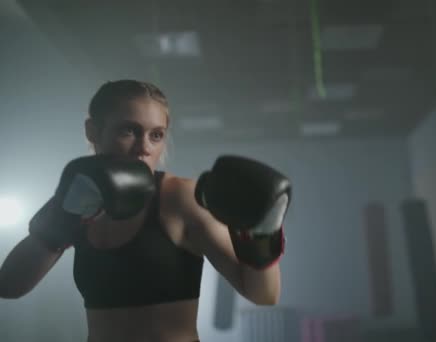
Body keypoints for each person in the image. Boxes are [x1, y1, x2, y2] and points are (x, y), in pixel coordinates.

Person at [0, 80, 291, 342]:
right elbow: (10, 285)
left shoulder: (179, 198)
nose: (143, 148)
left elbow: (263, 295)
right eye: (128, 130)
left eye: (156, 135)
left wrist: (262, 233)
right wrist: (63, 218)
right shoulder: (80, 195)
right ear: (93, 131)